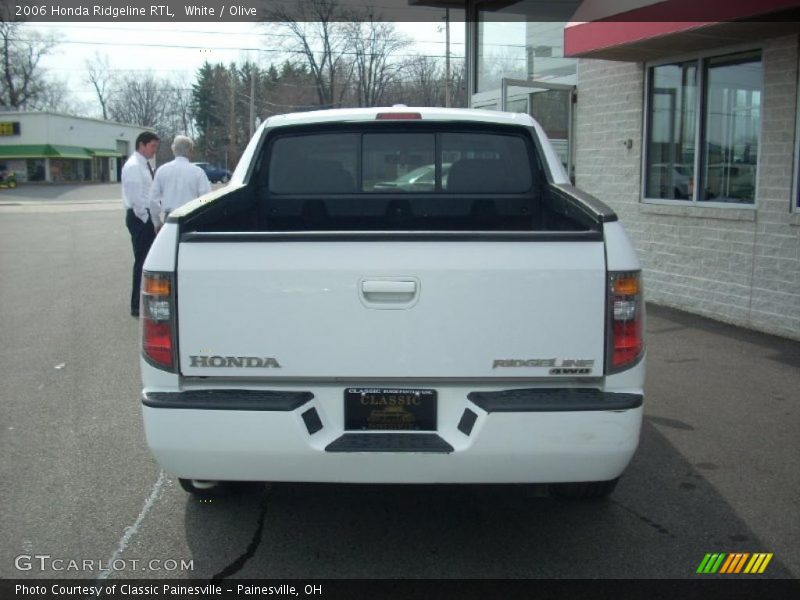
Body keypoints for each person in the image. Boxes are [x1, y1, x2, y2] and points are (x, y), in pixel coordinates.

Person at [122, 131, 160, 317]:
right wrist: (147, 220)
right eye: (152, 146)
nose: (154, 150)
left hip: (145, 216)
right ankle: (137, 305)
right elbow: (135, 199)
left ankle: (144, 301)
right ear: (141, 145)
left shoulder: (144, 165)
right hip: (139, 218)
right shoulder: (133, 166)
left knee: (147, 260)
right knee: (142, 261)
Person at [149, 135, 211, 232]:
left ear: (173, 150)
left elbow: (153, 200)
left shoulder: (162, 170)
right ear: (190, 151)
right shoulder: (198, 172)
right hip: (191, 217)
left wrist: (156, 222)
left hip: (170, 219)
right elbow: (206, 199)